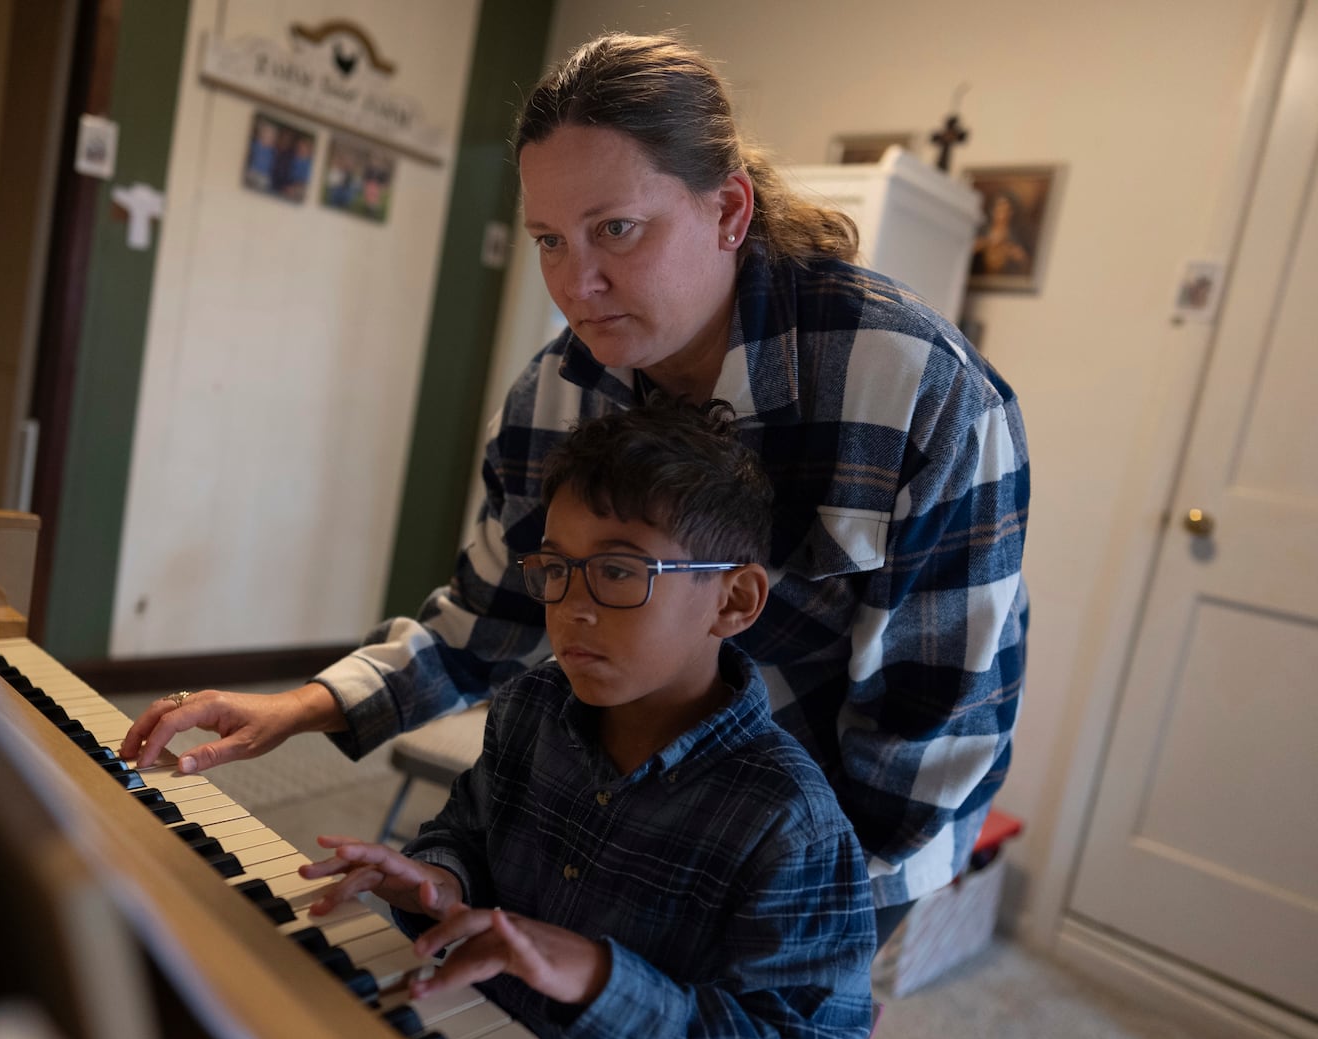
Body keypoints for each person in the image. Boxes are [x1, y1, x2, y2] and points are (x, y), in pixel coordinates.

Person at [121, 31, 1030, 941]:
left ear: (729, 210)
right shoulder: (554, 398)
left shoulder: (924, 396)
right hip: (624, 814)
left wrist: (804, 927)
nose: (576, 284)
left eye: (617, 230)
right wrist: (301, 705)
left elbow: (930, 738)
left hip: (831, 857)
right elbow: (487, 620)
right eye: (550, 240)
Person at [299, 400, 875, 1039]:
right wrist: (439, 879)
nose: (572, 608)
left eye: (619, 572)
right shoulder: (529, 707)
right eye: (556, 568)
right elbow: (467, 835)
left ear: (734, 599)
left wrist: (603, 980)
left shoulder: (792, 823)